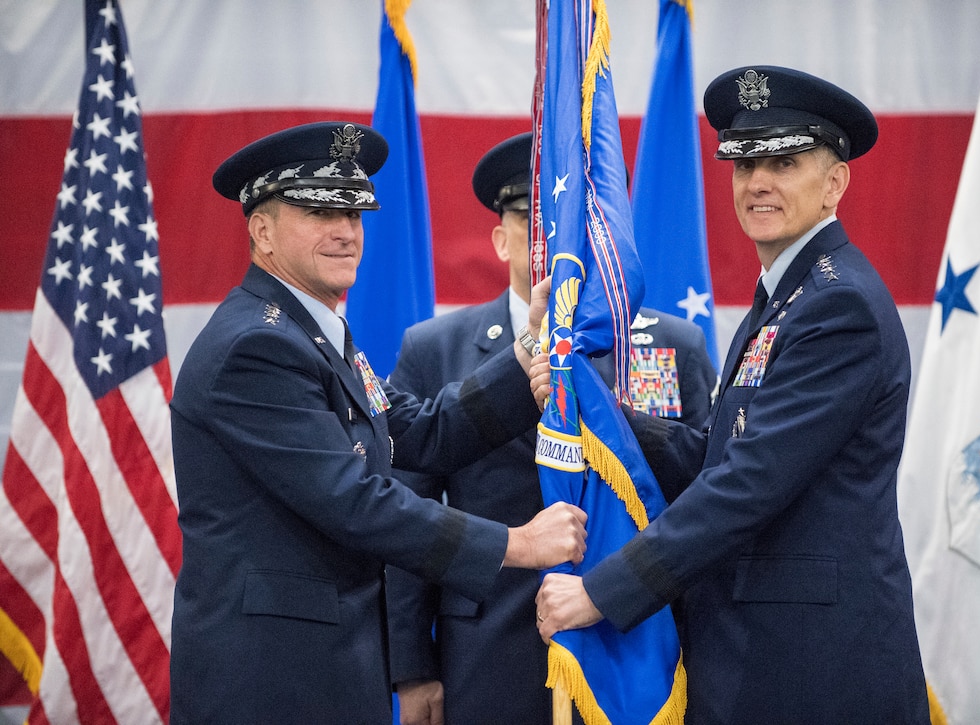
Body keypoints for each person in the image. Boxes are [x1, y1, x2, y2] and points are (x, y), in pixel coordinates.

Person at [534, 66, 930, 723]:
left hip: (814, 671)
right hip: (761, 655)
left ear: (836, 182)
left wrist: (603, 591)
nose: (758, 183)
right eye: (745, 165)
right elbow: (720, 451)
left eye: (785, 162)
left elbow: (749, 483)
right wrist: (600, 408)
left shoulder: (838, 306)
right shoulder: (789, 294)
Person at [168, 121, 588, 725]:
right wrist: (517, 544)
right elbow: (355, 502)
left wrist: (527, 354)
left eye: (355, 214)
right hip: (273, 680)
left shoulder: (306, 331)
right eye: (320, 213)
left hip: (324, 665)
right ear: (260, 229)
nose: (345, 232)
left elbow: (420, 431)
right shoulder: (255, 347)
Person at [383, 132, 717, 725]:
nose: (556, 237)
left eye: (576, 219)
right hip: (486, 653)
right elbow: (409, 514)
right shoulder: (435, 349)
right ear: (499, 237)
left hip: (634, 648)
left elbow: (701, 502)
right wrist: (414, 669)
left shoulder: (673, 345)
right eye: (533, 218)